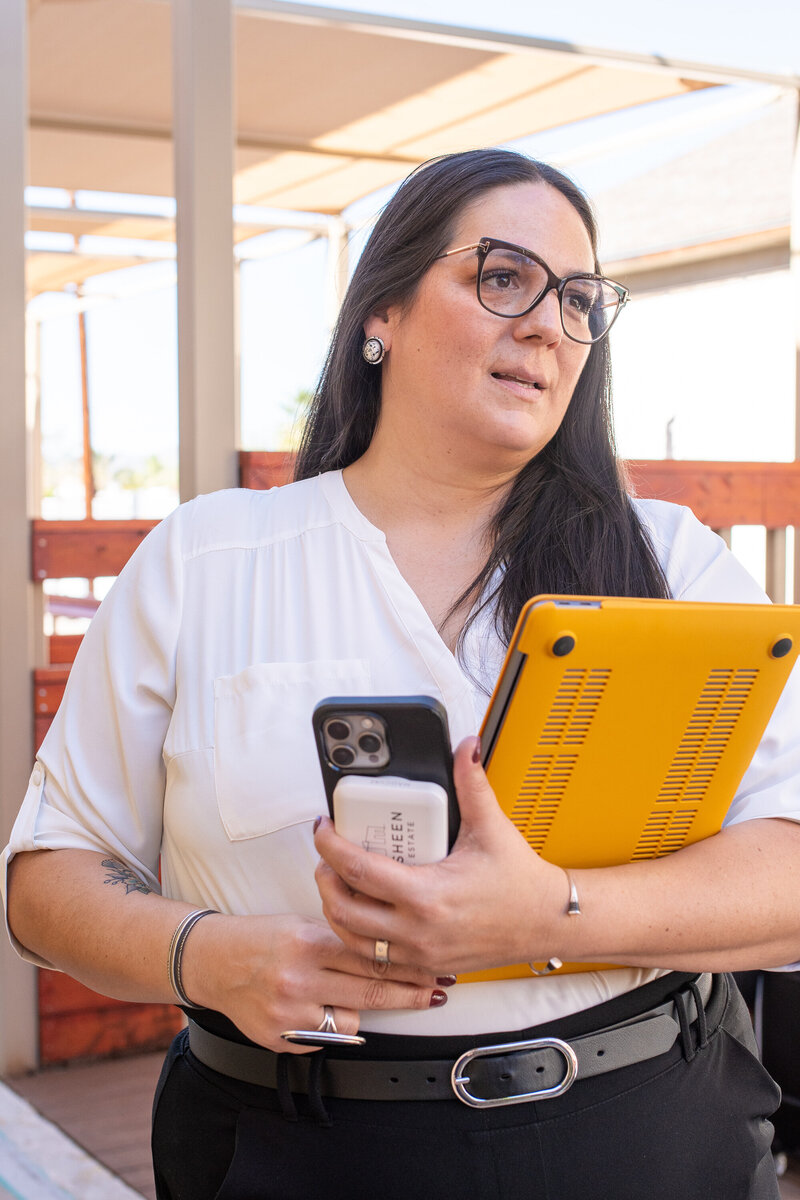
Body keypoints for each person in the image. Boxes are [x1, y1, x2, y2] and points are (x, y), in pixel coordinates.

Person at [3, 148, 800, 1200]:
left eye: (576, 300)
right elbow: (48, 881)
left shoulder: (671, 563)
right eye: (503, 277)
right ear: (380, 309)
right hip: (295, 1144)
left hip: (644, 1134)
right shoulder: (207, 559)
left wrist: (544, 913)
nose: (545, 326)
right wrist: (200, 954)